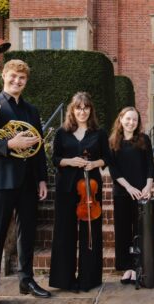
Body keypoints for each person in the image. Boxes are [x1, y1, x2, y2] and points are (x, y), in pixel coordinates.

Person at [0, 59, 50, 304]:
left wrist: (42, 179)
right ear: (3, 76)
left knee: (27, 233)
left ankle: (26, 280)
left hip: (28, 181)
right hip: (0, 181)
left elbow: (38, 147)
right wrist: (8, 145)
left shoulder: (31, 110)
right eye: (13, 76)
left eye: (22, 78)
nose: (17, 81)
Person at [49, 92, 110, 293]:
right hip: (66, 187)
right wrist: (70, 161)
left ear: (90, 110)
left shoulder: (99, 133)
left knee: (90, 233)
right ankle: (64, 280)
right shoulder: (61, 132)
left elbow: (107, 159)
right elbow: (55, 159)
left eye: (85, 108)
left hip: (90, 188)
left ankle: (88, 279)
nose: (82, 111)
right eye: (78, 108)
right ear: (72, 110)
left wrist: (93, 163)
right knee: (64, 232)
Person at [108, 106, 154, 284]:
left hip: (142, 192)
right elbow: (113, 169)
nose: (131, 122)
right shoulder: (112, 141)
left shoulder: (144, 139)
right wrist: (128, 188)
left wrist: (148, 186)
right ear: (120, 119)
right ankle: (126, 267)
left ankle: (138, 266)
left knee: (140, 230)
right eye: (127, 119)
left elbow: (150, 164)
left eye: (134, 119)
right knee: (123, 230)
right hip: (122, 192)